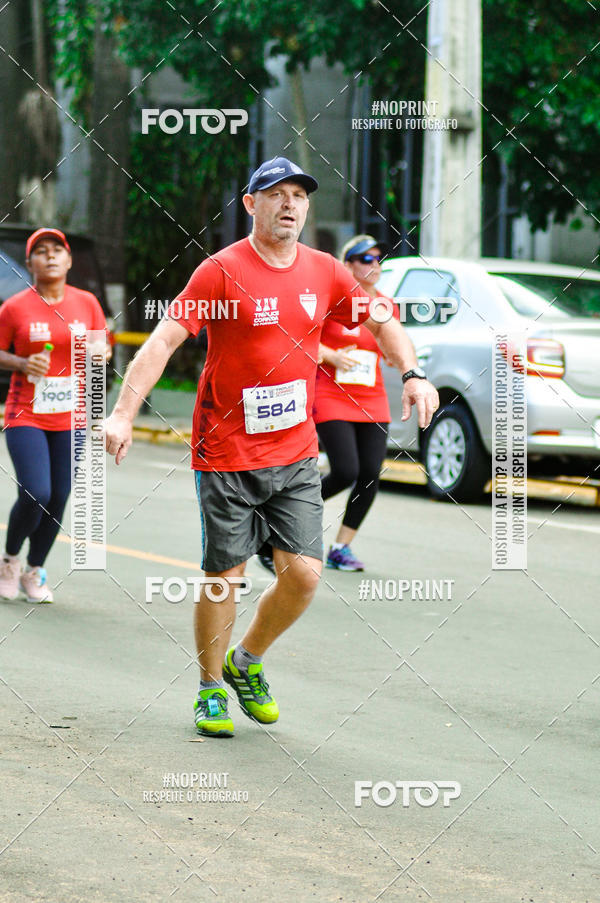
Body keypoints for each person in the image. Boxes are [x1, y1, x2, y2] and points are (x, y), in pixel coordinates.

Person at [103, 156, 439, 739]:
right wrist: (123, 414)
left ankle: (246, 660)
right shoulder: (219, 271)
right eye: (275, 194)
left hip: (295, 452)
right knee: (224, 576)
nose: (290, 204)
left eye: (299, 195)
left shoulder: (328, 272)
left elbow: (383, 320)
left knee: (306, 575)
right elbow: (160, 344)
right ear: (250, 205)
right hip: (227, 451)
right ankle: (210, 688)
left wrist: (413, 373)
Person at [0, 227, 109, 603]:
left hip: (70, 418)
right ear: (29, 263)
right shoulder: (15, 307)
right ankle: (9, 560)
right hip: (25, 414)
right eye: (41, 251)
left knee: (59, 495)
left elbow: (101, 348)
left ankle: (34, 571)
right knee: (36, 491)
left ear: (69, 260)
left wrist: (101, 354)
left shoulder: (87, 302)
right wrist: (21, 362)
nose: (50, 256)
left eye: (57, 250)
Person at [314, 234, 417, 571]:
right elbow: (301, 341)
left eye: (377, 258)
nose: (375, 265)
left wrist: (394, 359)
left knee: (370, 474)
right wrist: (331, 355)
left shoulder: (386, 305)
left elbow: (391, 346)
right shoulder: (330, 300)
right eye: (364, 259)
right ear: (347, 266)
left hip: (371, 399)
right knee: (345, 470)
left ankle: (341, 548)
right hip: (330, 395)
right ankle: (287, 511)